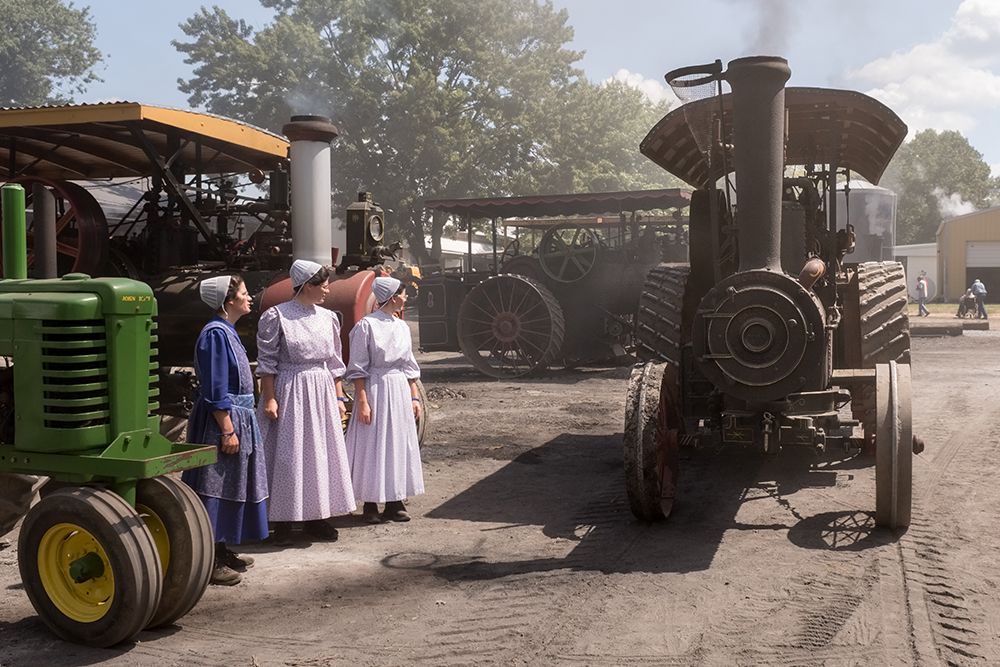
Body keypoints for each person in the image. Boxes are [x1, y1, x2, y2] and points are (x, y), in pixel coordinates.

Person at [256, 259, 356, 545]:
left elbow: (334, 362)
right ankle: (285, 521)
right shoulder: (277, 316)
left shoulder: (328, 318)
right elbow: (267, 362)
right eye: (323, 285)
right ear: (307, 286)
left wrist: (339, 396)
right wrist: (270, 398)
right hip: (291, 389)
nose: (327, 290)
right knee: (289, 455)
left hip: (321, 390)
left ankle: (317, 516)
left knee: (320, 453)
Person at [182, 275, 269, 586]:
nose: (249, 298)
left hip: (239, 418)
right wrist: (227, 429)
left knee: (233, 485)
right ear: (228, 300)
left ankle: (223, 548)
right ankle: (211, 560)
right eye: (244, 293)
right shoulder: (215, 334)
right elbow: (215, 385)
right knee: (214, 485)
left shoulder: (228, 331)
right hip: (223, 421)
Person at [345, 276, 425, 524]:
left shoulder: (401, 326)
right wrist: (363, 400)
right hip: (376, 387)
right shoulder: (365, 327)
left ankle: (394, 501)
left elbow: (409, 366)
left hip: (399, 388)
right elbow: (357, 367)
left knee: (397, 442)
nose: (406, 297)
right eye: (403, 293)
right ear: (391, 297)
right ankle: (370, 503)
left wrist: (414, 397)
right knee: (374, 443)